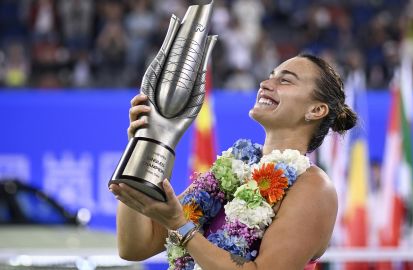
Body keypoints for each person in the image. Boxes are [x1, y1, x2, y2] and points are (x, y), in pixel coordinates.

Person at [109, 53, 357, 270]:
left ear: (316, 110)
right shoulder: (234, 171)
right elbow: (135, 247)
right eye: (271, 75)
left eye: (285, 80)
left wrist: (181, 227)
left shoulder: (314, 188)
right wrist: (144, 142)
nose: (265, 84)